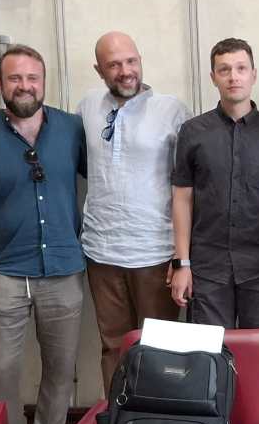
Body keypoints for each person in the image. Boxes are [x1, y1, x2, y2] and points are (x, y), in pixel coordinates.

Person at [0, 44, 87, 424]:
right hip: (5, 273)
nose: (24, 85)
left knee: (61, 370)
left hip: (63, 269)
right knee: (0, 370)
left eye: (32, 78)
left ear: (44, 82)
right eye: (15, 78)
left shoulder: (73, 130)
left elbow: (107, 181)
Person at [77, 31, 190, 391]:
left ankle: (160, 419)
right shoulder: (87, 107)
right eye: (114, 64)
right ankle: (118, 418)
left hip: (155, 253)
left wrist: (182, 258)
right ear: (99, 70)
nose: (125, 71)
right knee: (113, 347)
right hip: (101, 253)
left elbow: (188, 188)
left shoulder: (172, 110)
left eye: (131, 61)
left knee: (161, 350)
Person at [170, 38, 259, 330]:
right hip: (207, 268)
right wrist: (182, 264)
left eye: (241, 68)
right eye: (224, 70)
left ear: (253, 74)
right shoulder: (192, 131)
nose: (233, 77)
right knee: (208, 351)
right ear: (213, 77)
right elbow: (182, 199)